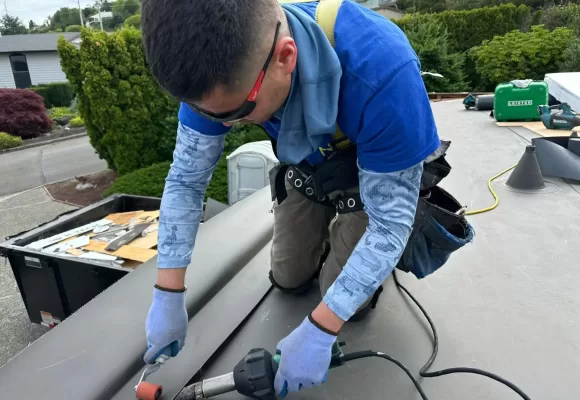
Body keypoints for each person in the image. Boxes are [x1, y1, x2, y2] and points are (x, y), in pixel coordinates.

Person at [140, 0, 442, 397]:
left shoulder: (382, 71)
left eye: (235, 112)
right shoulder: (213, 73)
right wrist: (168, 293)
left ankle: (350, 241)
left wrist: (320, 331)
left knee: (342, 296)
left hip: (371, 179)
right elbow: (186, 180)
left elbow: (390, 221)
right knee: (288, 278)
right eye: (207, 113)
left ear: (285, 57)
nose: (223, 125)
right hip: (309, 166)